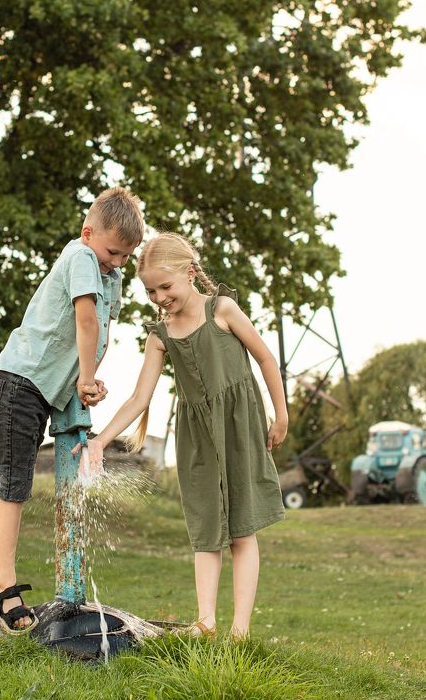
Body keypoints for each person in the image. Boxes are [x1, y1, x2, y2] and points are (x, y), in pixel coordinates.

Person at [84, 232, 288, 639]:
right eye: (150, 291)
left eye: (165, 286)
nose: (159, 297)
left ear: (190, 273)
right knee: (206, 530)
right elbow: (139, 399)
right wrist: (100, 439)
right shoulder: (159, 337)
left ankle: (241, 631)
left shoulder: (222, 310)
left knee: (242, 529)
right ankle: (206, 622)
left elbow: (266, 358)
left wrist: (280, 414)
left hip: (239, 427)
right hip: (197, 439)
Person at [0, 187, 144, 634]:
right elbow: (85, 319)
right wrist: (84, 378)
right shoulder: (81, 256)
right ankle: (3, 587)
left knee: (14, 484)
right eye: (112, 252)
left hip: (41, 389)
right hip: (19, 380)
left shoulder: (110, 275)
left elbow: (100, 333)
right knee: (14, 486)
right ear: (88, 233)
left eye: (126, 256)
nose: (117, 262)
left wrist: (90, 379)